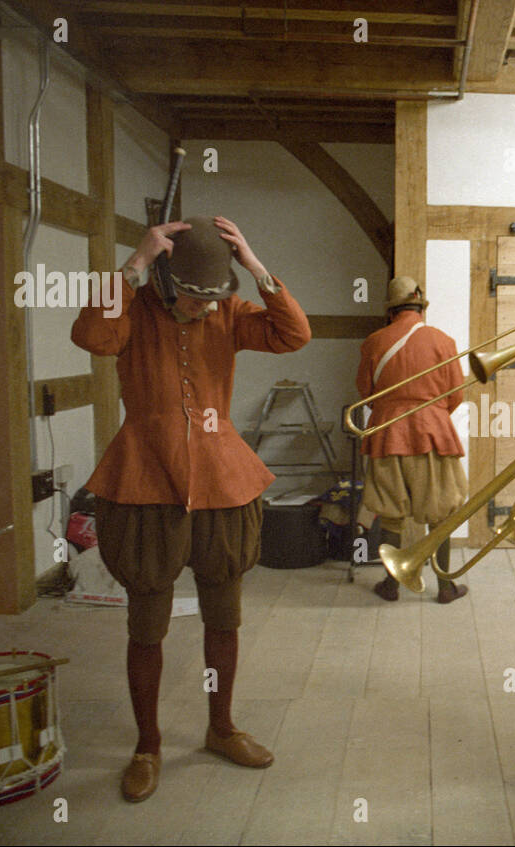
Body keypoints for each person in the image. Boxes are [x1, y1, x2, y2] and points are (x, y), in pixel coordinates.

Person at [72, 215, 312, 803]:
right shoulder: (134, 308)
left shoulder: (229, 312)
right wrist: (133, 264)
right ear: (164, 278)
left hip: (221, 482)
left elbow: (294, 335)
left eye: (212, 296)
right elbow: (92, 337)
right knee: (147, 622)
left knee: (224, 616)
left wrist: (254, 264)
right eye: (191, 295)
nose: (202, 307)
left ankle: (220, 727)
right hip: (144, 479)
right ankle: (147, 744)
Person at [357, 276, 470, 604]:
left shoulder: (374, 341)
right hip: (432, 433)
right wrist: (431, 414)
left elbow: (365, 391)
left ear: (391, 310)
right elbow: (456, 394)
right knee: (441, 510)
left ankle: (391, 585)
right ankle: (445, 587)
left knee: (390, 511)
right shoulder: (443, 340)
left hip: (386, 433)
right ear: (420, 307)